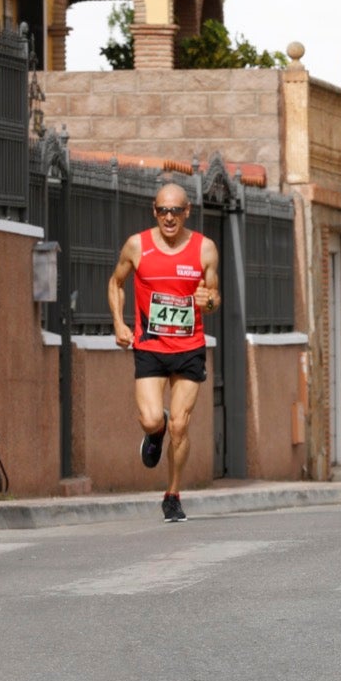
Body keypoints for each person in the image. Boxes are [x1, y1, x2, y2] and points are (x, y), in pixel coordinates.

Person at [107, 182, 220, 524]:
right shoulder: (137, 246)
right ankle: (156, 433)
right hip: (151, 346)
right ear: (154, 211)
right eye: (162, 210)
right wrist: (118, 323)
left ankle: (172, 494)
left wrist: (209, 301)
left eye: (176, 211)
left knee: (182, 426)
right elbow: (116, 283)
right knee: (153, 419)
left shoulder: (205, 249)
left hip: (189, 348)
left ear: (187, 212)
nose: (169, 217)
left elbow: (214, 295)